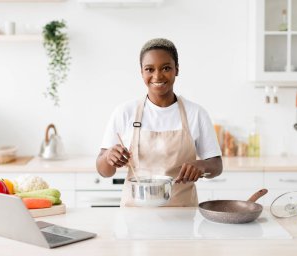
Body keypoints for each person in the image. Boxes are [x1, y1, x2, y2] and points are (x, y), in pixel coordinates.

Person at [96, 38, 223, 207]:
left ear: (176, 70)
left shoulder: (196, 113)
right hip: (134, 217)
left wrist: (202, 166)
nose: (157, 76)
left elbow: (216, 166)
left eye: (166, 68)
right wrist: (108, 157)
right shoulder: (125, 112)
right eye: (149, 69)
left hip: (182, 216)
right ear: (141, 72)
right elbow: (104, 171)